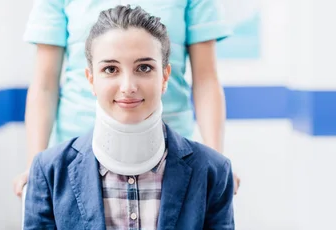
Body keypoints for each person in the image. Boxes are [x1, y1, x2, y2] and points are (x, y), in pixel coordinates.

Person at [23, 5, 234, 229]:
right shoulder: (50, 169)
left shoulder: (212, 170)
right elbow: (44, 83)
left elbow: (206, 79)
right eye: (111, 69)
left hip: (177, 158)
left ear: (165, 77)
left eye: (144, 67)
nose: (128, 87)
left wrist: (217, 168)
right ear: (91, 79)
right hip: (74, 157)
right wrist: (36, 172)